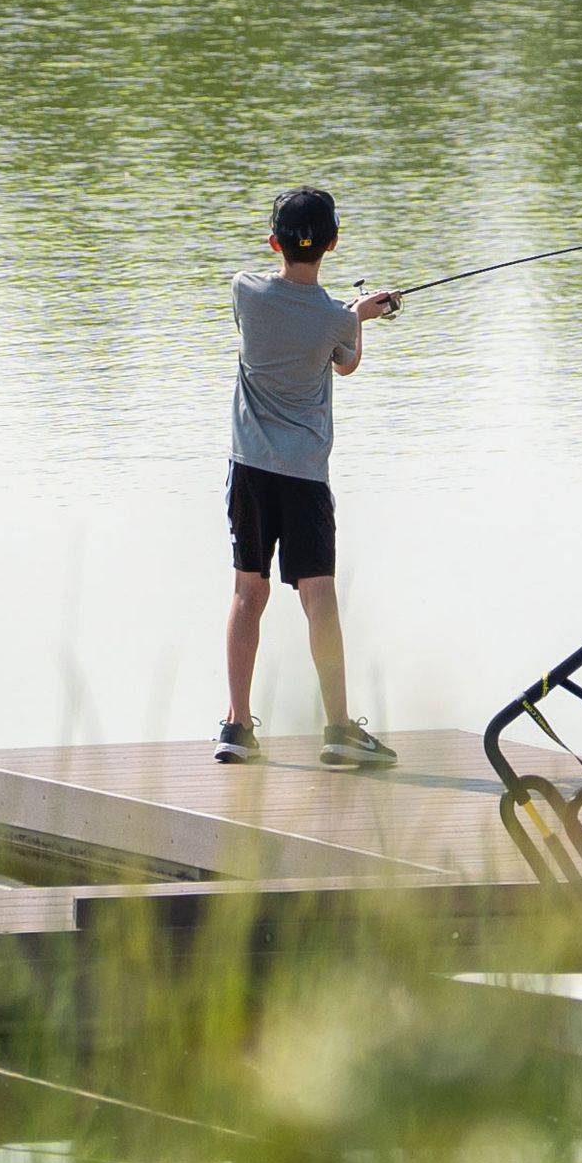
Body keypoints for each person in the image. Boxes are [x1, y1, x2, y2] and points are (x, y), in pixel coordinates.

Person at [223, 184, 404, 768]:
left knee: (248, 593)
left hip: (249, 470)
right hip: (304, 477)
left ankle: (236, 726)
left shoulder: (245, 291)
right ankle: (338, 728)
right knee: (318, 596)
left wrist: (344, 315)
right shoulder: (334, 320)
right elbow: (346, 364)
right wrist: (360, 315)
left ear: (275, 241)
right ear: (333, 243)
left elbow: (287, 323)